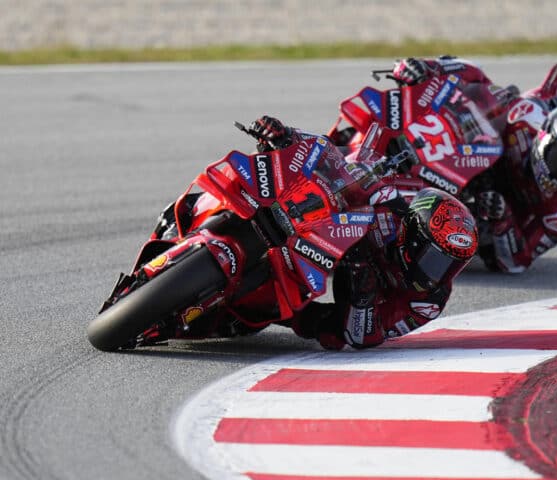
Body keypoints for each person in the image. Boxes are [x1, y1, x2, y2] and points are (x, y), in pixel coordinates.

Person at [152, 115, 478, 350]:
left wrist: (362, 294)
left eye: (451, 265)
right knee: (279, 179)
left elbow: (368, 336)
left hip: (353, 290)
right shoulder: (404, 200)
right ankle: (207, 209)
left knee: (326, 329)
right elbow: (341, 161)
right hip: (331, 230)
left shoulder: (429, 301)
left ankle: (254, 305)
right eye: (435, 259)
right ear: (414, 235)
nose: (440, 273)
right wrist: (287, 137)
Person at [389, 57, 557, 272]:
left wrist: (503, 219)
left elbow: (519, 261)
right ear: (545, 137)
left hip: (492, 214)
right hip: (468, 159)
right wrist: (430, 68)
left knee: (471, 241)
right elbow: (478, 78)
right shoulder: (527, 116)